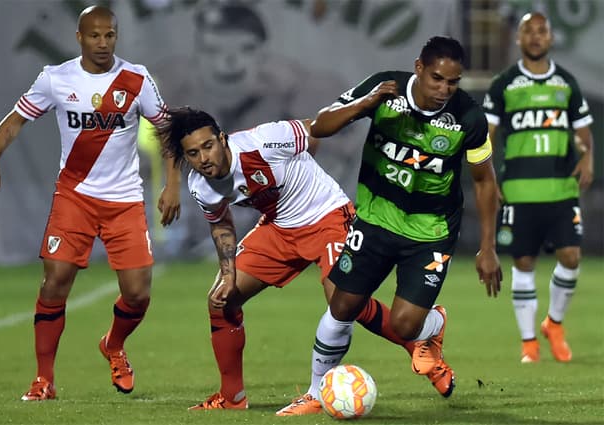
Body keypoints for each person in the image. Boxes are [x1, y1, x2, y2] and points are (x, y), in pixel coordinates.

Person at [275, 36, 503, 415]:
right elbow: (319, 126)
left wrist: (488, 247)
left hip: (430, 232)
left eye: (453, 82)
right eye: (436, 79)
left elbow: (484, 180)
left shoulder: (468, 118)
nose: (444, 89)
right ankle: (316, 395)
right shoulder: (385, 90)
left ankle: (433, 325)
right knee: (342, 304)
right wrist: (365, 104)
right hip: (376, 220)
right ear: (418, 68)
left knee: (404, 326)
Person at [156, 106, 431, 413]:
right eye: (193, 153)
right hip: (279, 228)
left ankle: (419, 341)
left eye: (208, 146)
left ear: (222, 139)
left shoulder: (264, 141)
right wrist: (229, 272)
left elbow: (314, 129)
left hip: (326, 215)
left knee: (342, 301)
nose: (204, 159)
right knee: (221, 299)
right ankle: (232, 397)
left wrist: (304, 165)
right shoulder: (200, 184)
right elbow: (221, 224)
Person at [0, 5, 181, 400]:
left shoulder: (136, 79)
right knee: (54, 284)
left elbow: (167, 129)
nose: (102, 43)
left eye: (109, 35)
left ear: (116, 36)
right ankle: (44, 380)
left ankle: (113, 345)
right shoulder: (56, 79)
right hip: (75, 198)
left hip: (124, 201)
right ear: (79, 38)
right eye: (94, 36)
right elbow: (15, 119)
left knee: (138, 294)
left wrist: (172, 184)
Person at [148, 1, 361, 257]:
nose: (229, 62)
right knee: (226, 292)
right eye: (212, 50)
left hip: (295, 218)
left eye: (245, 49)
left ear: (262, 55)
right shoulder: (171, 93)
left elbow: (323, 140)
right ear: (197, 55)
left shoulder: (293, 96)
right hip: (230, 224)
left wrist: (291, 178)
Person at [483, 12, 594, 364]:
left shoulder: (566, 83)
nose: (535, 37)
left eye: (541, 31)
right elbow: (488, 135)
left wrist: (588, 157)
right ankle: (529, 343)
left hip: (561, 187)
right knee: (524, 261)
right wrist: (488, 176)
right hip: (519, 189)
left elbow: (583, 128)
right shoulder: (504, 84)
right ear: (518, 39)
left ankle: (554, 324)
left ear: (550, 38)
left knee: (571, 257)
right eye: (528, 31)